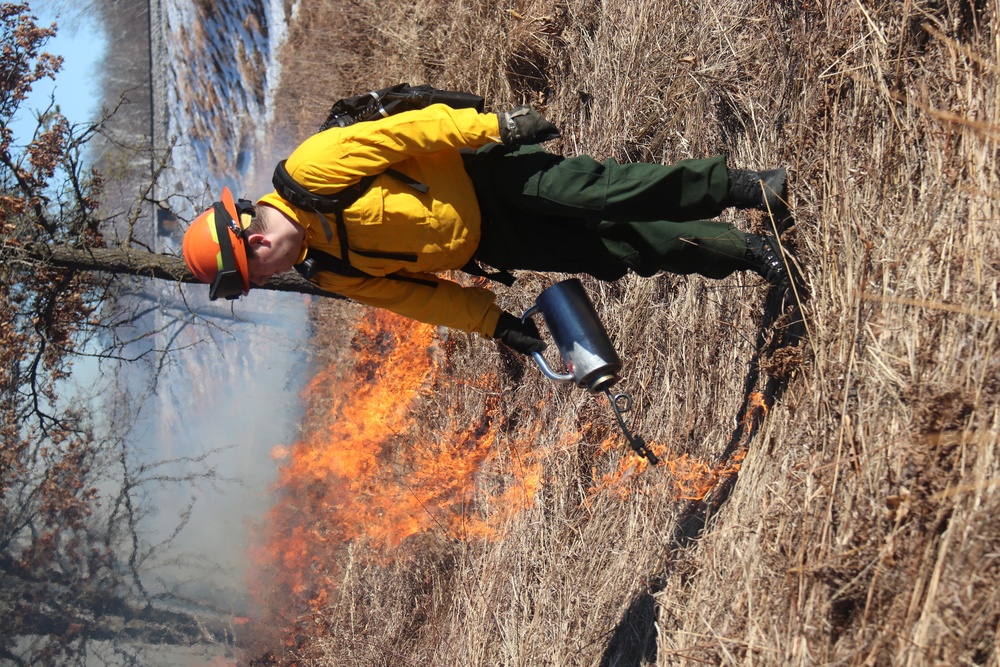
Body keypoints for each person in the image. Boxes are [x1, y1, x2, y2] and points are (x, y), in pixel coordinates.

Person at [182, 103, 794, 354]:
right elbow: (414, 298)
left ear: (255, 244)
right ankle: (753, 252)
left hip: (489, 178)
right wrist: (493, 323)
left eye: (251, 275)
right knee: (619, 247)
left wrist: (494, 128)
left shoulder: (311, 171)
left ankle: (743, 188)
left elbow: (407, 133)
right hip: (492, 244)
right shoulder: (328, 271)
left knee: (605, 191)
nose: (261, 281)